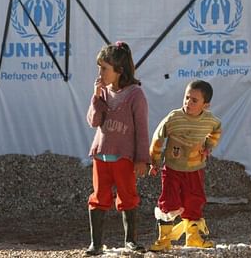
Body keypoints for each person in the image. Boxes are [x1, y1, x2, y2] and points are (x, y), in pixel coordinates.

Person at [85, 41, 150, 255]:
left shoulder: (135, 95)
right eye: (99, 67)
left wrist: (142, 159)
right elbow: (94, 121)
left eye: (104, 68)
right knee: (98, 197)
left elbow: (141, 129)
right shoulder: (102, 93)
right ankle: (96, 243)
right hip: (101, 156)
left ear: (119, 71)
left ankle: (130, 240)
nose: (100, 72)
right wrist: (96, 97)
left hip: (124, 158)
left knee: (128, 196)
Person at [148, 80, 221, 251]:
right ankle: (164, 240)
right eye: (186, 97)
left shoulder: (210, 120)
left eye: (194, 100)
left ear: (206, 105)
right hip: (172, 169)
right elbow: (157, 139)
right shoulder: (174, 118)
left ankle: (193, 238)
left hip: (195, 169)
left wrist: (208, 146)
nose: (188, 102)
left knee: (194, 201)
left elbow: (217, 129)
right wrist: (155, 161)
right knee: (168, 201)